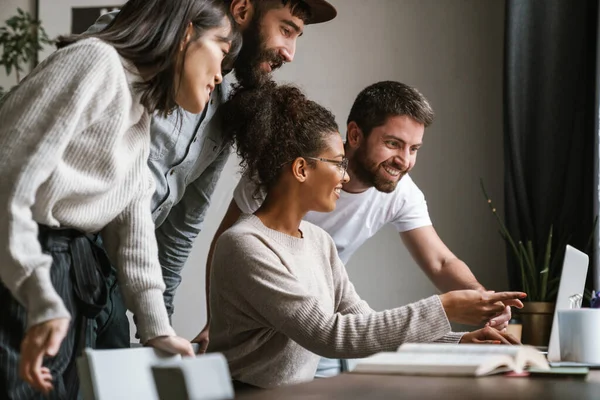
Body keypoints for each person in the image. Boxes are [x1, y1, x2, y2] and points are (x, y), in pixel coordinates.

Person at [207, 82, 524, 389]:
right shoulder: (245, 244)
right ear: (302, 169)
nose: (343, 176)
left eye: (413, 148)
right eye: (337, 163)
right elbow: (327, 333)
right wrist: (444, 309)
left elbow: (365, 321)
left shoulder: (319, 241)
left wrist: (458, 341)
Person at [0, 0, 240, 397]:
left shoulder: (139, 108)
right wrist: (38, 295)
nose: (220, 74)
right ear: (185, 33)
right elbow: (8, 183)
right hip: (23, 265)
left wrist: (157, 329)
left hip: (69, 273)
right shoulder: (95, 62)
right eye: (221, 48)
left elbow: (134, 228)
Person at [88, 0, 338, 346]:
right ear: (242, 10)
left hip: (117, 269)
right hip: (63, 246)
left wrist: (161, 328)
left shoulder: (227, 102)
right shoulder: (138, 35)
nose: (290, 53)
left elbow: (182, 224)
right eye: (285, 30)